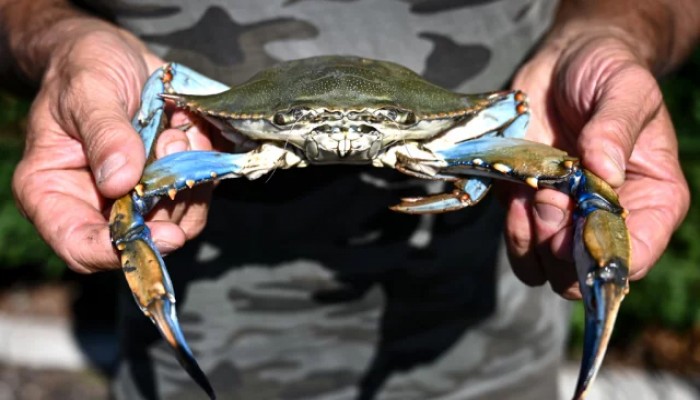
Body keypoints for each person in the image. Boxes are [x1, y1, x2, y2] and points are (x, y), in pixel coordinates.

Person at [1, 0, 697, 399]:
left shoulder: (485, 121)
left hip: (487, 370)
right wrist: (59, 41)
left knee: (585, 181)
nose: (341, 139)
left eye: (371, 127)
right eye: (308, 126)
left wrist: (615, 28)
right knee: (132, 209)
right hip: (185, 374)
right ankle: (170, 328)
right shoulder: (205, 109)